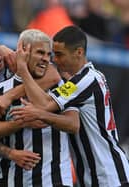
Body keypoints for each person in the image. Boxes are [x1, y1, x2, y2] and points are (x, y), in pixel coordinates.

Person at [10, 26, 129, 186]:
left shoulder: (85, 80)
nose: (55, 60)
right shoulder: (85, 79)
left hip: (107, 176)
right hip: (95, 176)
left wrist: (23, 69)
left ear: (79, 52)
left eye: (59, 55)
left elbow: (45, 105)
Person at [0, 29, 79, 187]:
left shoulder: (67, 86)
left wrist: (40, 115)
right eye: (40, 53)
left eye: (49, 55)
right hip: (14, 179)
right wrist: (12, 153)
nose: (45, 60)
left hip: (55, 180)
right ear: (23, 51)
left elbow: (73, 125)